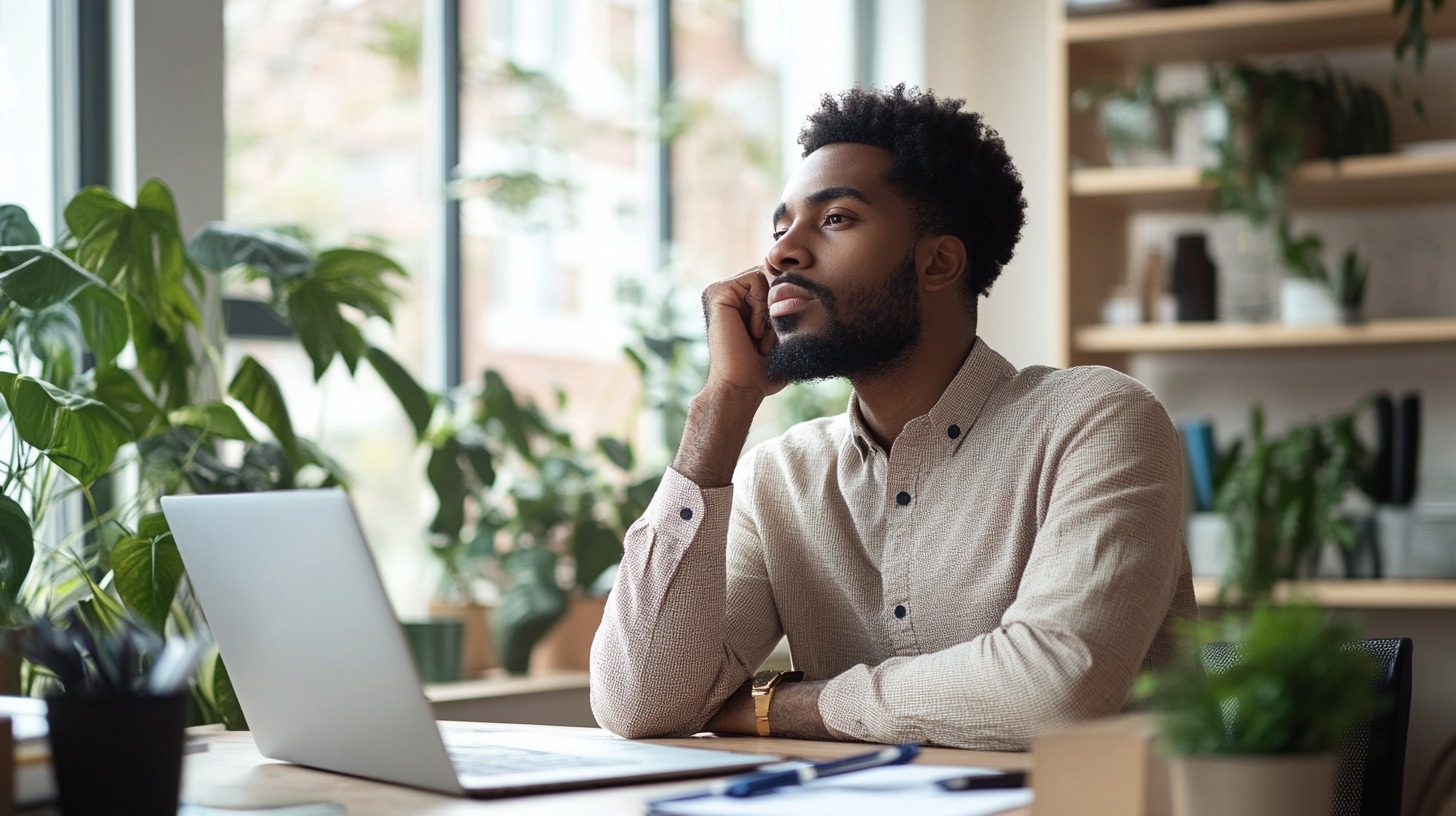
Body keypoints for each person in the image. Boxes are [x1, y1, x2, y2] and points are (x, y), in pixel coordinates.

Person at [589, 84, 1196, 751]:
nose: (780, 255)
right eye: (780, 227)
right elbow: (639, 701)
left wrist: (773, 705)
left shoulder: (1097, 420)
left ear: (937, 262)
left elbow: (1053, 692)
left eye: (836, 219)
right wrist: (721, 407)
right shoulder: (780, 478)